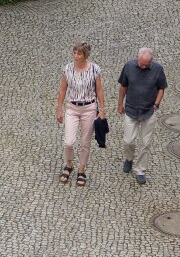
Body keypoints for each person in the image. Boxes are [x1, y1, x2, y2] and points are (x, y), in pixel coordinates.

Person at [55, 41, 106, 186]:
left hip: (89, 108)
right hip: (72, 107)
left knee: (85, 143)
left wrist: (102, 109)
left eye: (79, 54)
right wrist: (59, 108)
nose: (76, 56)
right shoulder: (68, 69)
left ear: (85, 55)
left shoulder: (94, 69)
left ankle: (82, 170)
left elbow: (99, 90)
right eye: (74, 53)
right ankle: (69, 164)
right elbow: (63, 89)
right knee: (69, 142)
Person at [117, 46, 168, 184]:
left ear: (151, 61)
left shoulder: (157, 69)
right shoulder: (128, 66)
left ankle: (140, 170)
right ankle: (129, 158)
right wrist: (120, 104)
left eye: (147, 64)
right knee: (128, 141)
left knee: (146, 143)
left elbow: (161, 88)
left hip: (148, 111)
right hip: (131, 109)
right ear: (137, 58)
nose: (144, 66)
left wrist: (156, 104)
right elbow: (123, 86)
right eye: (141, 63)